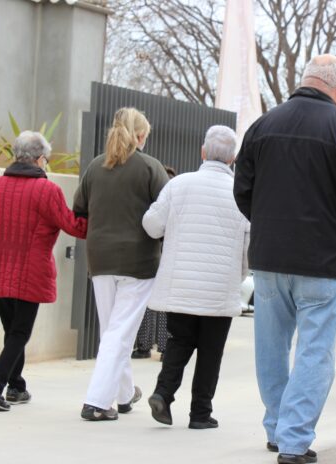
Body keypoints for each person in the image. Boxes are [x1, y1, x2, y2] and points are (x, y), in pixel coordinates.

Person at [234, 54, 336, 464]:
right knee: (315, 351)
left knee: (270, 348)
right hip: (323, 258)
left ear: (305, 80)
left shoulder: (263, 126)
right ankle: (294, 439)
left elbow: (242, 189)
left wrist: (265, 224)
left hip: (270, 255)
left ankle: (277, 428)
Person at [142, 126, 249, 429]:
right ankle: (200, 413)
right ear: (234, 158)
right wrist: (237, 276)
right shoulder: (240, 193)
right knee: (211, 352)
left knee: (179, 342)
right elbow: (247, 247)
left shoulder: (179, 185)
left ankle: (163, 394)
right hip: (220, 287)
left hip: (182, 284)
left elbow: (152, 226)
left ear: (203, 152)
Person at [0, 131, 87, 411]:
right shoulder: (46, 190)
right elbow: (73, 225)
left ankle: (16, 386)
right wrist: (91, 215)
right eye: (46, 160)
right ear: (39, 159)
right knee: (20, 332)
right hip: (30, 269)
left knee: (12, 330)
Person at [74, 107, 169, 421]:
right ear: (141, 135)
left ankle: (125, 395)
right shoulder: (151, 168)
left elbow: (80, 209)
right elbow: (164, 213)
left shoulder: (94, 167)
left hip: (100, 258)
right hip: (138, 261)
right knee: (119, 332)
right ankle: (97, 402)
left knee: (113, 330)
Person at [133, 165, 178, 360]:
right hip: (166, 256)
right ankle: (164, 347)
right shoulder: (174, 196)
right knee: (163, 306)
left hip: (152, 254)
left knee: (149, 304)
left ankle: (145, 346)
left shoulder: (154, 202)